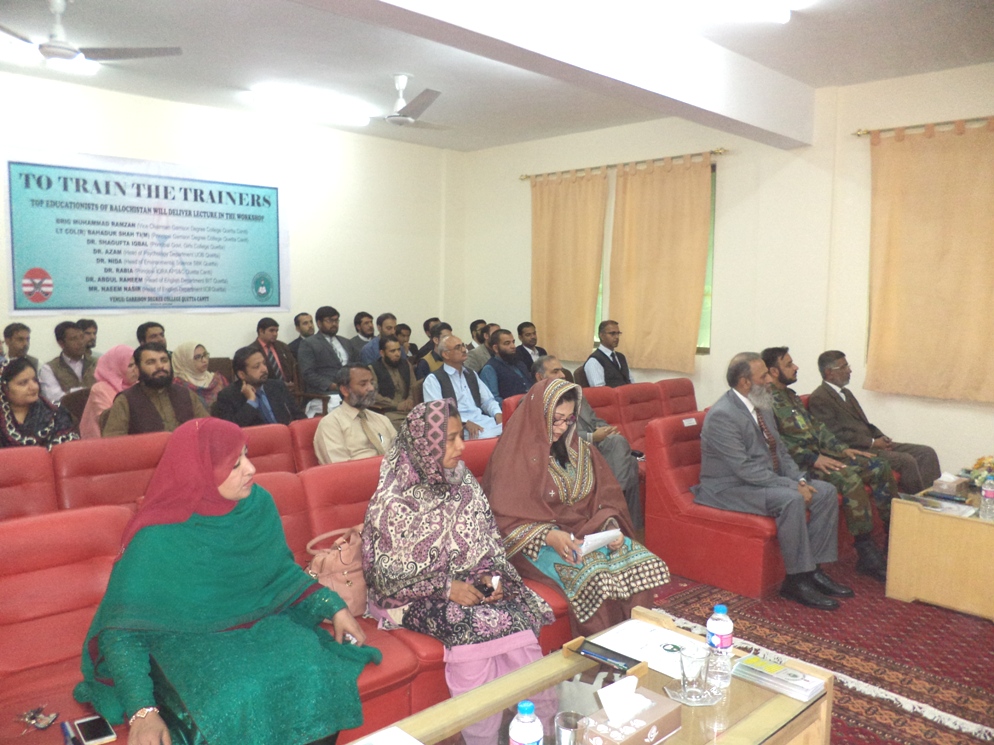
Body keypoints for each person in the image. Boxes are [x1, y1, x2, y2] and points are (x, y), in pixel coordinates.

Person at [74, 418, 380, 745]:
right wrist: (142, 711)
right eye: (235, 464)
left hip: (258, 624)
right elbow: (123, 632)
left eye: (247, 454)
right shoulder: (156, 535)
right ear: (199, 472)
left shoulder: (256, 505)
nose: (251, 469)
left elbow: (280, 573)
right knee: (234, 699)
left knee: (316, 673)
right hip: (183, 640)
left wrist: (333, 607)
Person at [362, 400, 554, 742]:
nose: (461, 447)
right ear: (424, 444)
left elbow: (488, 542)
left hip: (465, 581)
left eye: (461, 435)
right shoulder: (393, 499)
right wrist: (447, 588)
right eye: (449, 439)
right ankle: (482, 737)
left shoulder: (462, 480)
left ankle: (544, 727)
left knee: (515, 617)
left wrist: (491, 577)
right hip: (406, 597)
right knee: (469, 624)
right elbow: (385, 578)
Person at [483, 378, 670, 635]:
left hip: (586, 534)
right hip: (534, 544)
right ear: (538, 415)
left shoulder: (580, 450)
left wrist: (610, 528)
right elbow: (503, 519)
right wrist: (550, 536)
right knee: (594, 575)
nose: (562, 427)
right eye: (556, 419)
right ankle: (600, 651)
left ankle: (636, 640)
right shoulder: (513, 456)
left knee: (638, 560)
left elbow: (604, 499)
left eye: (569, 419)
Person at [693, 353, 850, 610]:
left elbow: (781, 452)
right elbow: (745, 470)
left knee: (826, 492)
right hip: (728, 487)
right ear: (745, 382)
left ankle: (814, 570)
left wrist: (800, 479)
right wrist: (793, 487)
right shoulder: (723, 415)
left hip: (761, 481)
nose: (769, 380)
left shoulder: (762, 405)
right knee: (791, 500)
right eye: (763, 376)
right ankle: (796, 580)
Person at [762, 347, 893, 582]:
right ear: (773, 371)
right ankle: (865, 549)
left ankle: (892, 534)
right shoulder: (765, 402)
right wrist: (813, 459)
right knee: (849, 477)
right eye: (789, 364)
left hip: (820, 456)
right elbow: (777, 443)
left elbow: (818, 429)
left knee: (878, 466)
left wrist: (842, 449)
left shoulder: (790, 397)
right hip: (800, 466)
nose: (796, 367)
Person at [808, 350, 940, 494]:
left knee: (926, 453)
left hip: (870, 443)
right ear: (829, 372)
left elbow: (864, 423)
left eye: (848, 366)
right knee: (906, 460)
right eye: (844, 367)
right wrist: (872, 443)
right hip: (855, 450)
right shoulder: (819, 398)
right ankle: (915, 504)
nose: (849, 370)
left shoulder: (846, 393)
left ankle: (933, 500)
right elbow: (835, 434)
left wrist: (880, 436)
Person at [533, 355, 642, 528]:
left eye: (562, 370)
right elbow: (550, 435)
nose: (562, 375)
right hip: (566, 452)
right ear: (540, 377)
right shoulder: (534, 401)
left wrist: (606, 429)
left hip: (594, 446)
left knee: (622, 449)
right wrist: (592, 436)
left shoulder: (575, 395)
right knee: (627, 460)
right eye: (555, 371)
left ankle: (621, 514)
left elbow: (594, 419)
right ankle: (616, 506)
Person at [102, 344, 209, 437]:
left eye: (164, 360)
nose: (160, 366)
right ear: (137, 370)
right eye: (151, 362)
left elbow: (207, 428)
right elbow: (114, 443)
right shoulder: (126, 400)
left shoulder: (185, 394)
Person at [423, 335, 502, 439]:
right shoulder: (433, 379)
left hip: (483, 422)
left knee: (512, 430)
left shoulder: (471, 374)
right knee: (492, 437)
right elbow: (437, 414)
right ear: (446, 354)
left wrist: (498, 414)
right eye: (458, 347)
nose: (464, 350)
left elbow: (487, 401)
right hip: (460, 428)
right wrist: (464, 423)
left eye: (463, 345)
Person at [314, 364, 397, 464]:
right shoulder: (331, 424)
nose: (371, 388)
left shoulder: (381, 419)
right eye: (363, 384)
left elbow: (401, 454)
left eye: (371, 383)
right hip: (359, 473)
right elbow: (338, 468)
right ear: (345, 390)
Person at [214, 346, 304, 427]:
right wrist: (251, 402)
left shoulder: (277, 386)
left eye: (264, 363)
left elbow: (300, 417)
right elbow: (232, 429)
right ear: (242, 374)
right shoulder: (227, 396)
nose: (264, 369)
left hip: (284, 436)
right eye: (257, 366)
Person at [0, 357, 78, 449]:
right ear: (5, 388)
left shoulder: (56, 413)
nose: (34, 387)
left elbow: (69, 449)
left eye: (35, 380)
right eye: (23, 383)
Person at [79, 345, 138, 440]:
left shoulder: (139, 385)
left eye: (137, 364)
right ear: (116, 367)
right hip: (103, 441)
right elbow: (109, 421)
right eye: (130, 365)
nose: (136, 369)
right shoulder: (100, 389)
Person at [298, 306, 356, 394]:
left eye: (336, 320)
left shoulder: (346, 342)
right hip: (326, 392)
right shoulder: (309, 343)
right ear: (319, 323)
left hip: (350, 389)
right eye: (329, 321)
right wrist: (331, 385)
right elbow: (308, 373)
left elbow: (356, 365)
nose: (334, 324)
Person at [39, 321, 96, 405]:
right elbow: (54, 397)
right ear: (61, 343)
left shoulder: (97, 363)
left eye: (82, 337)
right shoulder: (49, 368)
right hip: (66, 412)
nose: (80, 342)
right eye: (74, 339)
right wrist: (84, 392)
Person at [369, 335, 415, 428]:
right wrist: (396, 405)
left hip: (409, 409)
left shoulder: (406, 364)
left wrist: (410, 399)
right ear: (382, 353)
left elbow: (413, 385)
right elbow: (373, 395)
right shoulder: (373, 368)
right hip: (388, 411)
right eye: (392, 351)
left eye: (398, 350)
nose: (397, 354)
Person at [480, 328, 531, 405]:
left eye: (513, 342)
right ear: (495, 348)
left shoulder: (520, 364)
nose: (513, 346)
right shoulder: (490, 368)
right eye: (507, 343)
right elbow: (493, 400)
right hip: (511, 410)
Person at [172, 342, 228, 409]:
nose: (204, 360)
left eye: (205, 355)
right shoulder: (178, 386)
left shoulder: (218, 380)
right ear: (185, 361)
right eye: (198, 357)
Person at [250, 317, 298, 392]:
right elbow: (254, 376)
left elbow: (293, 366)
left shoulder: (283, 346)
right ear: (261, 331)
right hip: (267, 391)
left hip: (290, 390)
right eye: (271, 330)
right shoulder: (252, 350)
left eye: (276, 331)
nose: (275, 334)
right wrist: (279, 385)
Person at [583, 320, 633, 388]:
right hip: (611, 394)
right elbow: (600, 390)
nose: (617, 337)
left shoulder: (621, 357)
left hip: (626, 393)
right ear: (601, 336)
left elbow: (631, 381)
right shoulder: (594, 361)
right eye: (612, 333)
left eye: (618, 333)